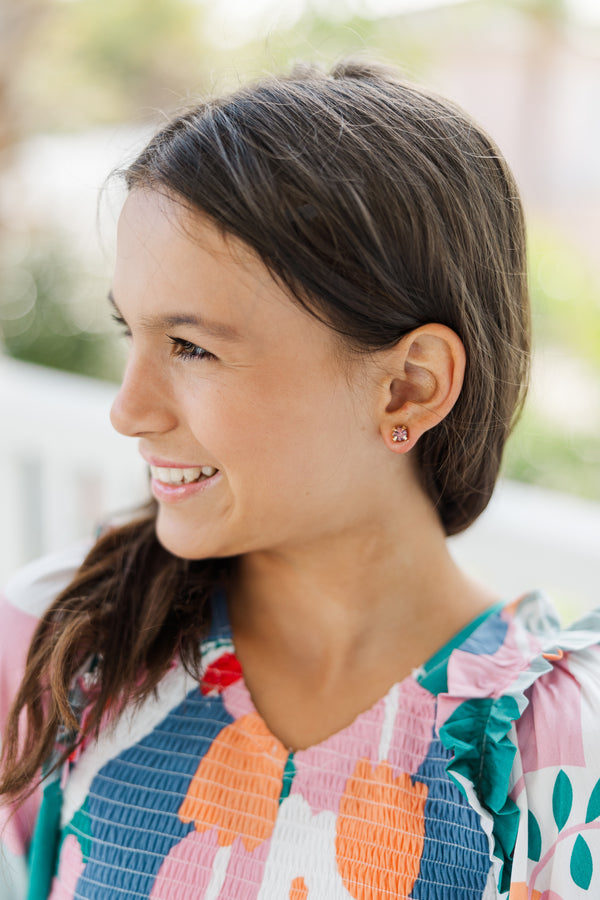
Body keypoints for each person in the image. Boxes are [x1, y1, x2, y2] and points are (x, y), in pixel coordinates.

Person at [1, 58, 599, 900]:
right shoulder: (68, 644)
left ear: (409, 386)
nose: (128, 411)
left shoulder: (560, 746)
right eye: (128, 332)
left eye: (192, 347)